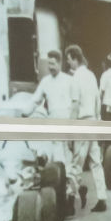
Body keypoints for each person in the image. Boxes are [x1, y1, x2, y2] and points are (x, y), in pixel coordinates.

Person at [29, 49, 78, 208]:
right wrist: (24, 113)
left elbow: (76, 104)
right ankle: (57, 198)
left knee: (67, 162)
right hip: (52, 124)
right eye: (48, 64)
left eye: (53, 63)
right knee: (54, 161)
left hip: (66, 125)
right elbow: (35, 100)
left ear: (60, 63)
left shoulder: (69, 81)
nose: (50, 67)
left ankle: (70, 197)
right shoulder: (45, 82)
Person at [65, 45, 109, 213]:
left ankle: (70, 200)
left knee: (77, 162)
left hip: (82, 122)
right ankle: (102, 199)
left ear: (75, 58)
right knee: (96, 162)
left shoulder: (76, 78)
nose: (68, 63)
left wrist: (69, 130)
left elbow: (75, 105)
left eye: (69, 59)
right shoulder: (91, 75)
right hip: (92, 121)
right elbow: (98, 100)